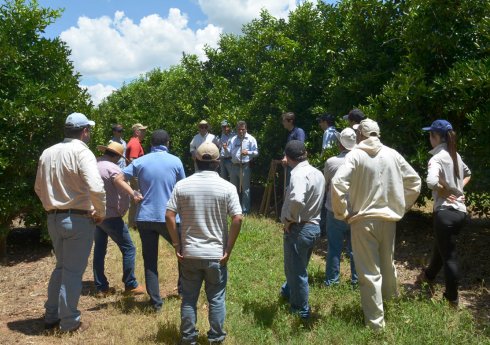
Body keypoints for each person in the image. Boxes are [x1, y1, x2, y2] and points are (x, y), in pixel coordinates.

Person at [331, 119, 421, 330]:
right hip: (388, 220)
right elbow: (415, 182)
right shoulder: (392, 154)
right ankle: (392, 309)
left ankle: (376, 325)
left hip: (363, 221)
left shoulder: (355, 154)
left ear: (361, 135)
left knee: (369, 272)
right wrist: (401, 206)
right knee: (388, 266)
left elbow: (337, 183)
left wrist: (343, 212)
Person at [34, 112, 106, 333]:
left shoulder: (48, 152)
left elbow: (38, 187)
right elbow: (96, 186)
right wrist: (100, 211)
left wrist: (51, 205)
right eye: (89, 130)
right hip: (78, 219)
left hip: (53, 217)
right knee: (73, 272)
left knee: (61, 268)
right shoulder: (82, 152)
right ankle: (70, 322)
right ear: (84, 131)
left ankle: (51, 315)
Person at [166, 142, 243, 345]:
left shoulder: (182, 185)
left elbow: (169, 215)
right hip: (216, 254)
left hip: (190, 252)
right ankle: (216, 339)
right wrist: (229, 248)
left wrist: (176, 245)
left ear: (195, 160)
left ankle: (188, 338)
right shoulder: (227, 187)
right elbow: (238, 218)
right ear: (218, 163)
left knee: (189, 298)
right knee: (216, 298)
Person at [115, 129, 186, 312]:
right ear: (168, 143)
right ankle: (183, 291)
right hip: (169, 216)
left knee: (150, 260)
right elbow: (183, 188)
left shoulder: (140, 161)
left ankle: (155, 303)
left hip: (145, 217)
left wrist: (133, 193)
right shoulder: (176, 161)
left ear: (151, 144)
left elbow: (118, 178)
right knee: (183, 253)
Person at [418, 119, 471, 307]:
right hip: (460, 214)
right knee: (441, 248)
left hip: (445, 213)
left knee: (449, 256)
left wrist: (444, 191)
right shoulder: (455, 155)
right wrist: (458, 190)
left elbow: (431, 182)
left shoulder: (437, 158)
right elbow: (468, 174)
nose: (429, 138)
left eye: (430, 135)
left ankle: (452, 299)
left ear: (437, 137)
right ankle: (428, 276)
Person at [280, 140, 325, 319]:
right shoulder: (317, 172)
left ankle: (301, 310)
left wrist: (290, 219)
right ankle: (287, 291)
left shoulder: (298, 174)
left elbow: (298, 200)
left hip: (300, 227)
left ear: (288, 157)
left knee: (296, 270)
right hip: (314, 226)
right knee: (298, 266)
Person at [93, 141, 145, 297]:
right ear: (116, 156)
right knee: (129, 248)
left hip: (96, 214)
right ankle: (130, 284)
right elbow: (121, 190)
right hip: (111, 216)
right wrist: (126, 204)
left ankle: (101, 287)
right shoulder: (114, 169)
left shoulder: (94, 164)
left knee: (99, 249)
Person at [324, 128, 358, 286]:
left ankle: (332, 280)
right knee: (356, 249)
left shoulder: (331, 162)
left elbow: (326, 184)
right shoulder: (361, 161)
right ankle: (356, 280)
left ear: (340, 144)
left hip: (335, 210)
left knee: (334, 247)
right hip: (356, 211)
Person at [226, 121, 259, 214]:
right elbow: (229, 152)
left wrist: (248, 152)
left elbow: (256, 153)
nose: (241, 131)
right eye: (239, 129)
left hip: (245, 166)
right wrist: (225, 148)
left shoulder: (251, 139)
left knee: (245, 190)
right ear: (237, 129)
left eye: (243, 129)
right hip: (234, 166)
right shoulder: (233, 139)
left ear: (246, 129)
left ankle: (245, 211)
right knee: (233, 189)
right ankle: (233, 210)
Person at [126, 122, 147, 228]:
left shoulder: (134, 142)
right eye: (143, 131)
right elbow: (132, 160)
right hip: (136, 175)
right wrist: (139, 173)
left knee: (135, 199)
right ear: (137, 132)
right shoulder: (135, 143)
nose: (145, 132)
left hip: (134, 175)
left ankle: (132, 223)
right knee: (138, 198)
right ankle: (134, 224)